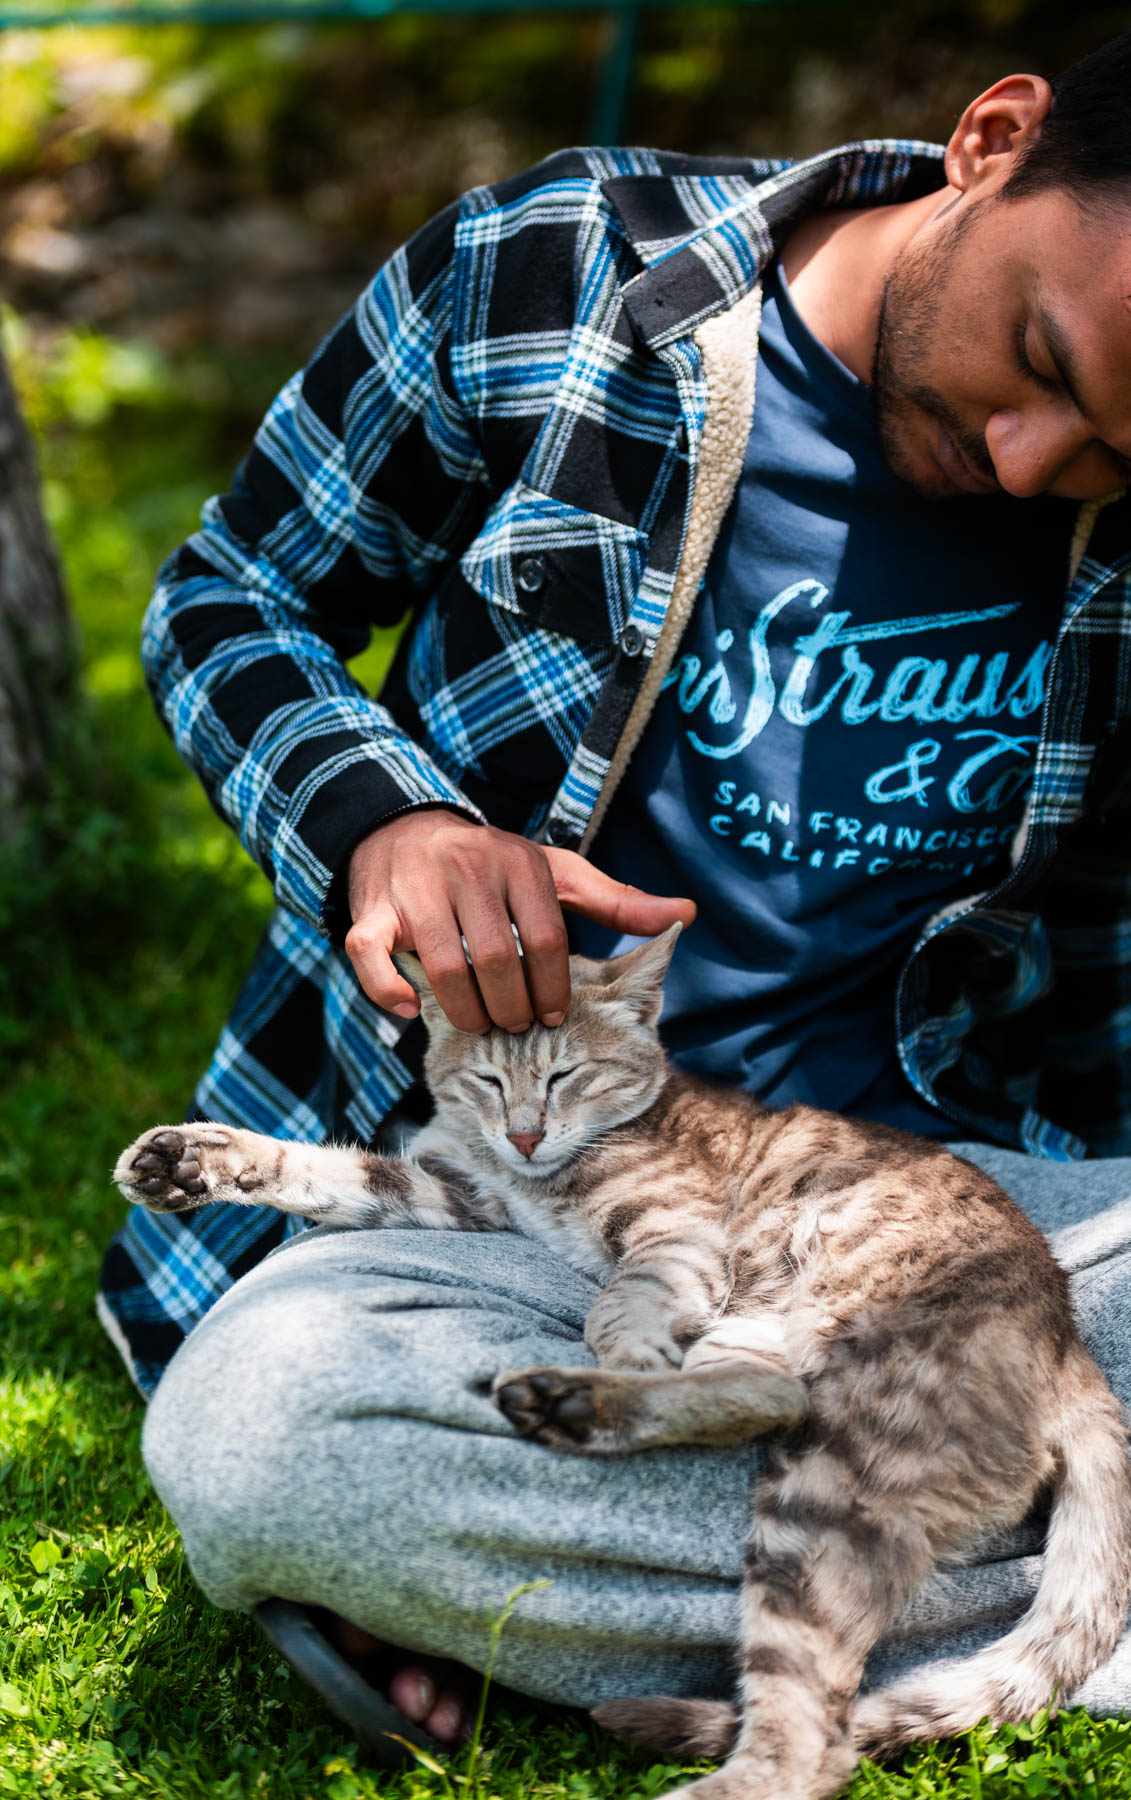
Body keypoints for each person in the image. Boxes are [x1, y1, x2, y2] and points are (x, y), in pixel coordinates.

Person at [99, 34, 1131, 1752]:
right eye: (1041, 359)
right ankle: (1011, 1591)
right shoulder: (555, 271)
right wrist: (385, 820)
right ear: (992, 139)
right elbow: (227, 597)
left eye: (1115, 456)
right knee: (267, 1428)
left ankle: (528, 1605)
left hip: (968, 1224)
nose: (1035, 466)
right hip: (542, 1217)